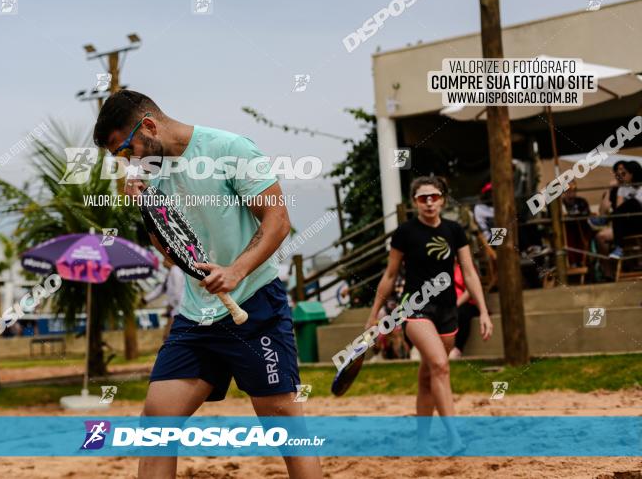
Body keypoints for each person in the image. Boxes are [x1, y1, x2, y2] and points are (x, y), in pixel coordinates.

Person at [93, 90, 322, 479]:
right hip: (197, 316)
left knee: (285, 427)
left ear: (148, 125)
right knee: (155, 426)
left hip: (255, 304)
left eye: (125, 149)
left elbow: (277, 221)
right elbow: (171, 252)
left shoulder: (229, 148)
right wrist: (147, 207)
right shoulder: (154, 174)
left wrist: (236, 270)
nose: (128, 161)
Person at [354, 176, 493, 453]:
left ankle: (421, 442)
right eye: (422, 197)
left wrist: (484, 311)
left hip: (448, 310)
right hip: (415, 308)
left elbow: (469, 272)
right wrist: (373, 316)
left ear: (442, 199)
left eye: (434, 196)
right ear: (414, 202)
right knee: (441, 365)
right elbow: (390, 275)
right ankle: (454, 438)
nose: (429, 202)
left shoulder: (455, 230)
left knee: (429, 375)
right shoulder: (405, 233)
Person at [596, 160, 642, 259]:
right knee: (620, 214)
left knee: (633, 202)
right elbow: (619, 212)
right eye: (619, 173)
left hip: (639, 221)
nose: (622, 176)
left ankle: (605, 219)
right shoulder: (622, 189)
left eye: (624, 173)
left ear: (632, 174)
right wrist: (609, 188)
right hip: (626, 224)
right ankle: (618, 249)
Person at [141, 256, 185, 340]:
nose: (162, 262)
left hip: (178, 308)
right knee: (168, 336)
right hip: (175, 309)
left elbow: (177, 291)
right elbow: (160, 289)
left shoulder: (175, 271)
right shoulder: (171, 273)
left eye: (164, 259)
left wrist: (171, 306)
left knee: (169, 336)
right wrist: (146, 299)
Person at [449, 260, 478, 360]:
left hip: (467, 303)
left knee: (461, 313)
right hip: (449, 304)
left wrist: (455, 304)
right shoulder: (441, 270)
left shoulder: (466, 267)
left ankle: (457, 348)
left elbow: (469, 291)